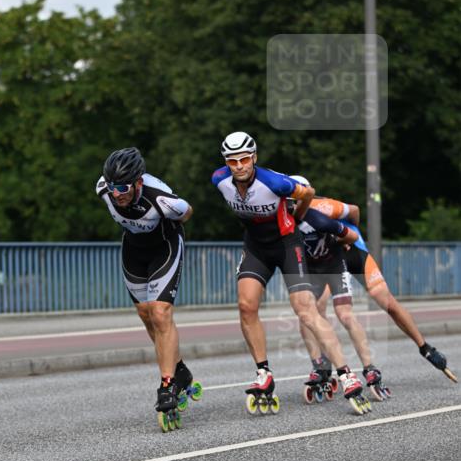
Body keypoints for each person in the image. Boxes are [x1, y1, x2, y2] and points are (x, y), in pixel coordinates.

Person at [211, 132, 370, 414]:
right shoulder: (219, 180)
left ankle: (346, 374)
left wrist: (297, 216)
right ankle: (263, 372)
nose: (239, 166)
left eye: (244, 159)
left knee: (306, 311)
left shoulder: (274, 182)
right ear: (226, 162)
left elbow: (307, 192)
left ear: (254, 157)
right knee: (246, 306)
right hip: (257, 248)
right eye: (232, 161)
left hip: (287, 245)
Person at [96, 147, 201, 430]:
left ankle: (167, 384)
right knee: (146, 315)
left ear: (138, 183)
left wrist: (172, 220)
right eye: (113, 186)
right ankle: (180, 370)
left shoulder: (160, 198)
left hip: (165, 246)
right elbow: (113, 193)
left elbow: (187, 213)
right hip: (134, 250)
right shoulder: (103, 188)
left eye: (123, 187)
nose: (116, 193)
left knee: (160, 312)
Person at [304, 189, 456, 383]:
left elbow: (354, 210)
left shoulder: (322, 205)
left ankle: (425, 347)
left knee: (387, 303)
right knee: (316, 307)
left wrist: (353, 232)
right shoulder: (282, 214)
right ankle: (323, 363)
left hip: (353, 251)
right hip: (330, 259)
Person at [288, 185, 391, 400]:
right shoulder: (283, 225)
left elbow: (352, 236)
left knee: (345, 314)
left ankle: (370, 368)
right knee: (306, 315)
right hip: (312, 272)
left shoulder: (319, 218)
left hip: (335, 267)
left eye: (291, 203)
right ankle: (320, 366)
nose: (288, 207)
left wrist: (339, 242)